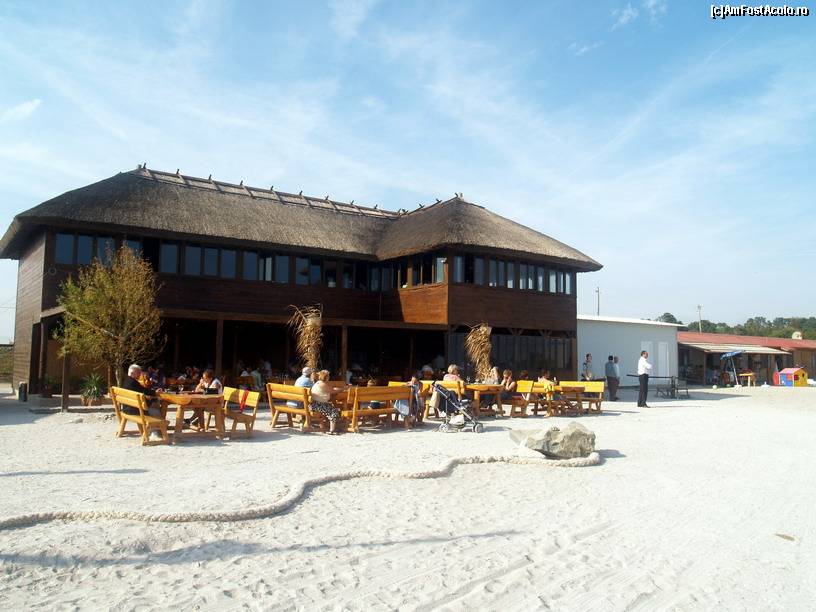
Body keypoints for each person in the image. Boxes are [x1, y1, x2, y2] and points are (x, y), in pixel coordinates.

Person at [310, 370, 340, 434]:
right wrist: (343, 389)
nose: (329, 377)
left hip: (314, 404)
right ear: (325, 377)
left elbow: (330, 389)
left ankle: (331, 426)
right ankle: (332, 430)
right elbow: (333, 391)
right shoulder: (322, 384)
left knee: (331, 407)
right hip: (319, 405)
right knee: (334, 411)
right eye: (328, 376)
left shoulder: (318, 383)